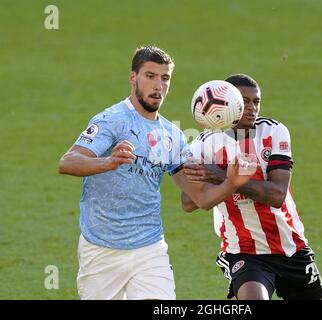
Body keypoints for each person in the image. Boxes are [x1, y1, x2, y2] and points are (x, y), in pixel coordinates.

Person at [58, 47, 256, 300]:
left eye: (164, 78)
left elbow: (200, 199)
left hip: (149, 250)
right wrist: (108, 162)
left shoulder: (172, 136)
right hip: (101, 252)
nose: (158, 86)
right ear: (133, 78)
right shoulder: (112, 120)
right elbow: (67, 162)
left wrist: (232, 182)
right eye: (150, 76)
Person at [181, 74, 322, 300]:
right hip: (244, 252)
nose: (251, 108)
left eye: (255, 102)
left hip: (291, 247)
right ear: (227, 104)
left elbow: (277, 194)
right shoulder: (204, 144)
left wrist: (222, 177)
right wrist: (219, 177)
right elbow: (188, 202)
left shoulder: (273, 132)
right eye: (244, 101)